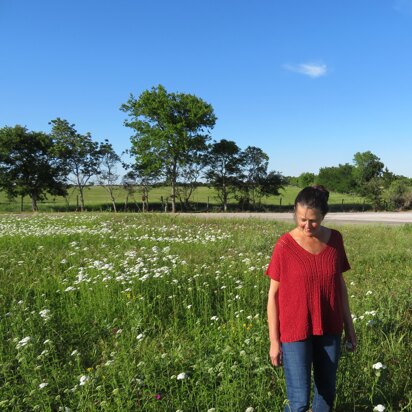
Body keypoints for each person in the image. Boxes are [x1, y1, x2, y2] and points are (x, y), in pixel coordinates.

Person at [266, 185, 356, 412]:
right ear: (295, 213)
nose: (307, 226)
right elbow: (273, 296)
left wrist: (350, 327)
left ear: (323, 216)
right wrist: (274, 341)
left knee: (326, 395)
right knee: (298, 402)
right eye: (301, 219)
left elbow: (340, 286)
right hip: (295, 330)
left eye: (313, 221)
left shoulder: (335, 240)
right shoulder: (284, 245)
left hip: (330, 328)